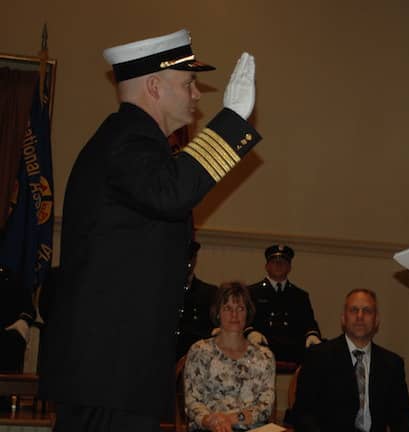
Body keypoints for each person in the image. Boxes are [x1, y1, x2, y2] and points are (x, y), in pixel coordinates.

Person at [40, 29, 262, 432]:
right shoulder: (128, 139)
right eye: (189, 82)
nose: (197, 94)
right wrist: (229, 124)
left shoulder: (133, 142)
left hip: (114, 371)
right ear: (155, 87)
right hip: (108, 370)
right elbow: (170, 193)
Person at [292, 288, 409, 432]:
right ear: (343, 318)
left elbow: (403, 419)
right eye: (353, 310)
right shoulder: (318, 357)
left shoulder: (392, 364)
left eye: (367, 311)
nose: (360, 316)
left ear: (377, 321)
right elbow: (303, 415)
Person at [184, 282, 275, 432]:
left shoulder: (264, 356)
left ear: (248, 313)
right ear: (218, 313)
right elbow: (193, 401)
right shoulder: (199, 351)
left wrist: (230, 419)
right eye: (228, 308)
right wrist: (212, 422)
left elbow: (265, 406)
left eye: (240, 308)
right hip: (210, 428)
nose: (234, 315)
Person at [245, 244, 322, 365]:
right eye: (274, 261)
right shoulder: (251, 292)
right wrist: (250, 332)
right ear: (266, 266)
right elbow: (243, 320)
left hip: (293, 353)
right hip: (261, 351)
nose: (279, 265)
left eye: (283, 262)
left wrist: (312, 335)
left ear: (290, 267)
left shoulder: (300, 295)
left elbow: (309, 322)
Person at [177, 240, 219, 360]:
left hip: (197, 358)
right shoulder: (164, 291)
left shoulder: (209, 293)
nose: (186, 263)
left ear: (194, 259)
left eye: (190, 258)